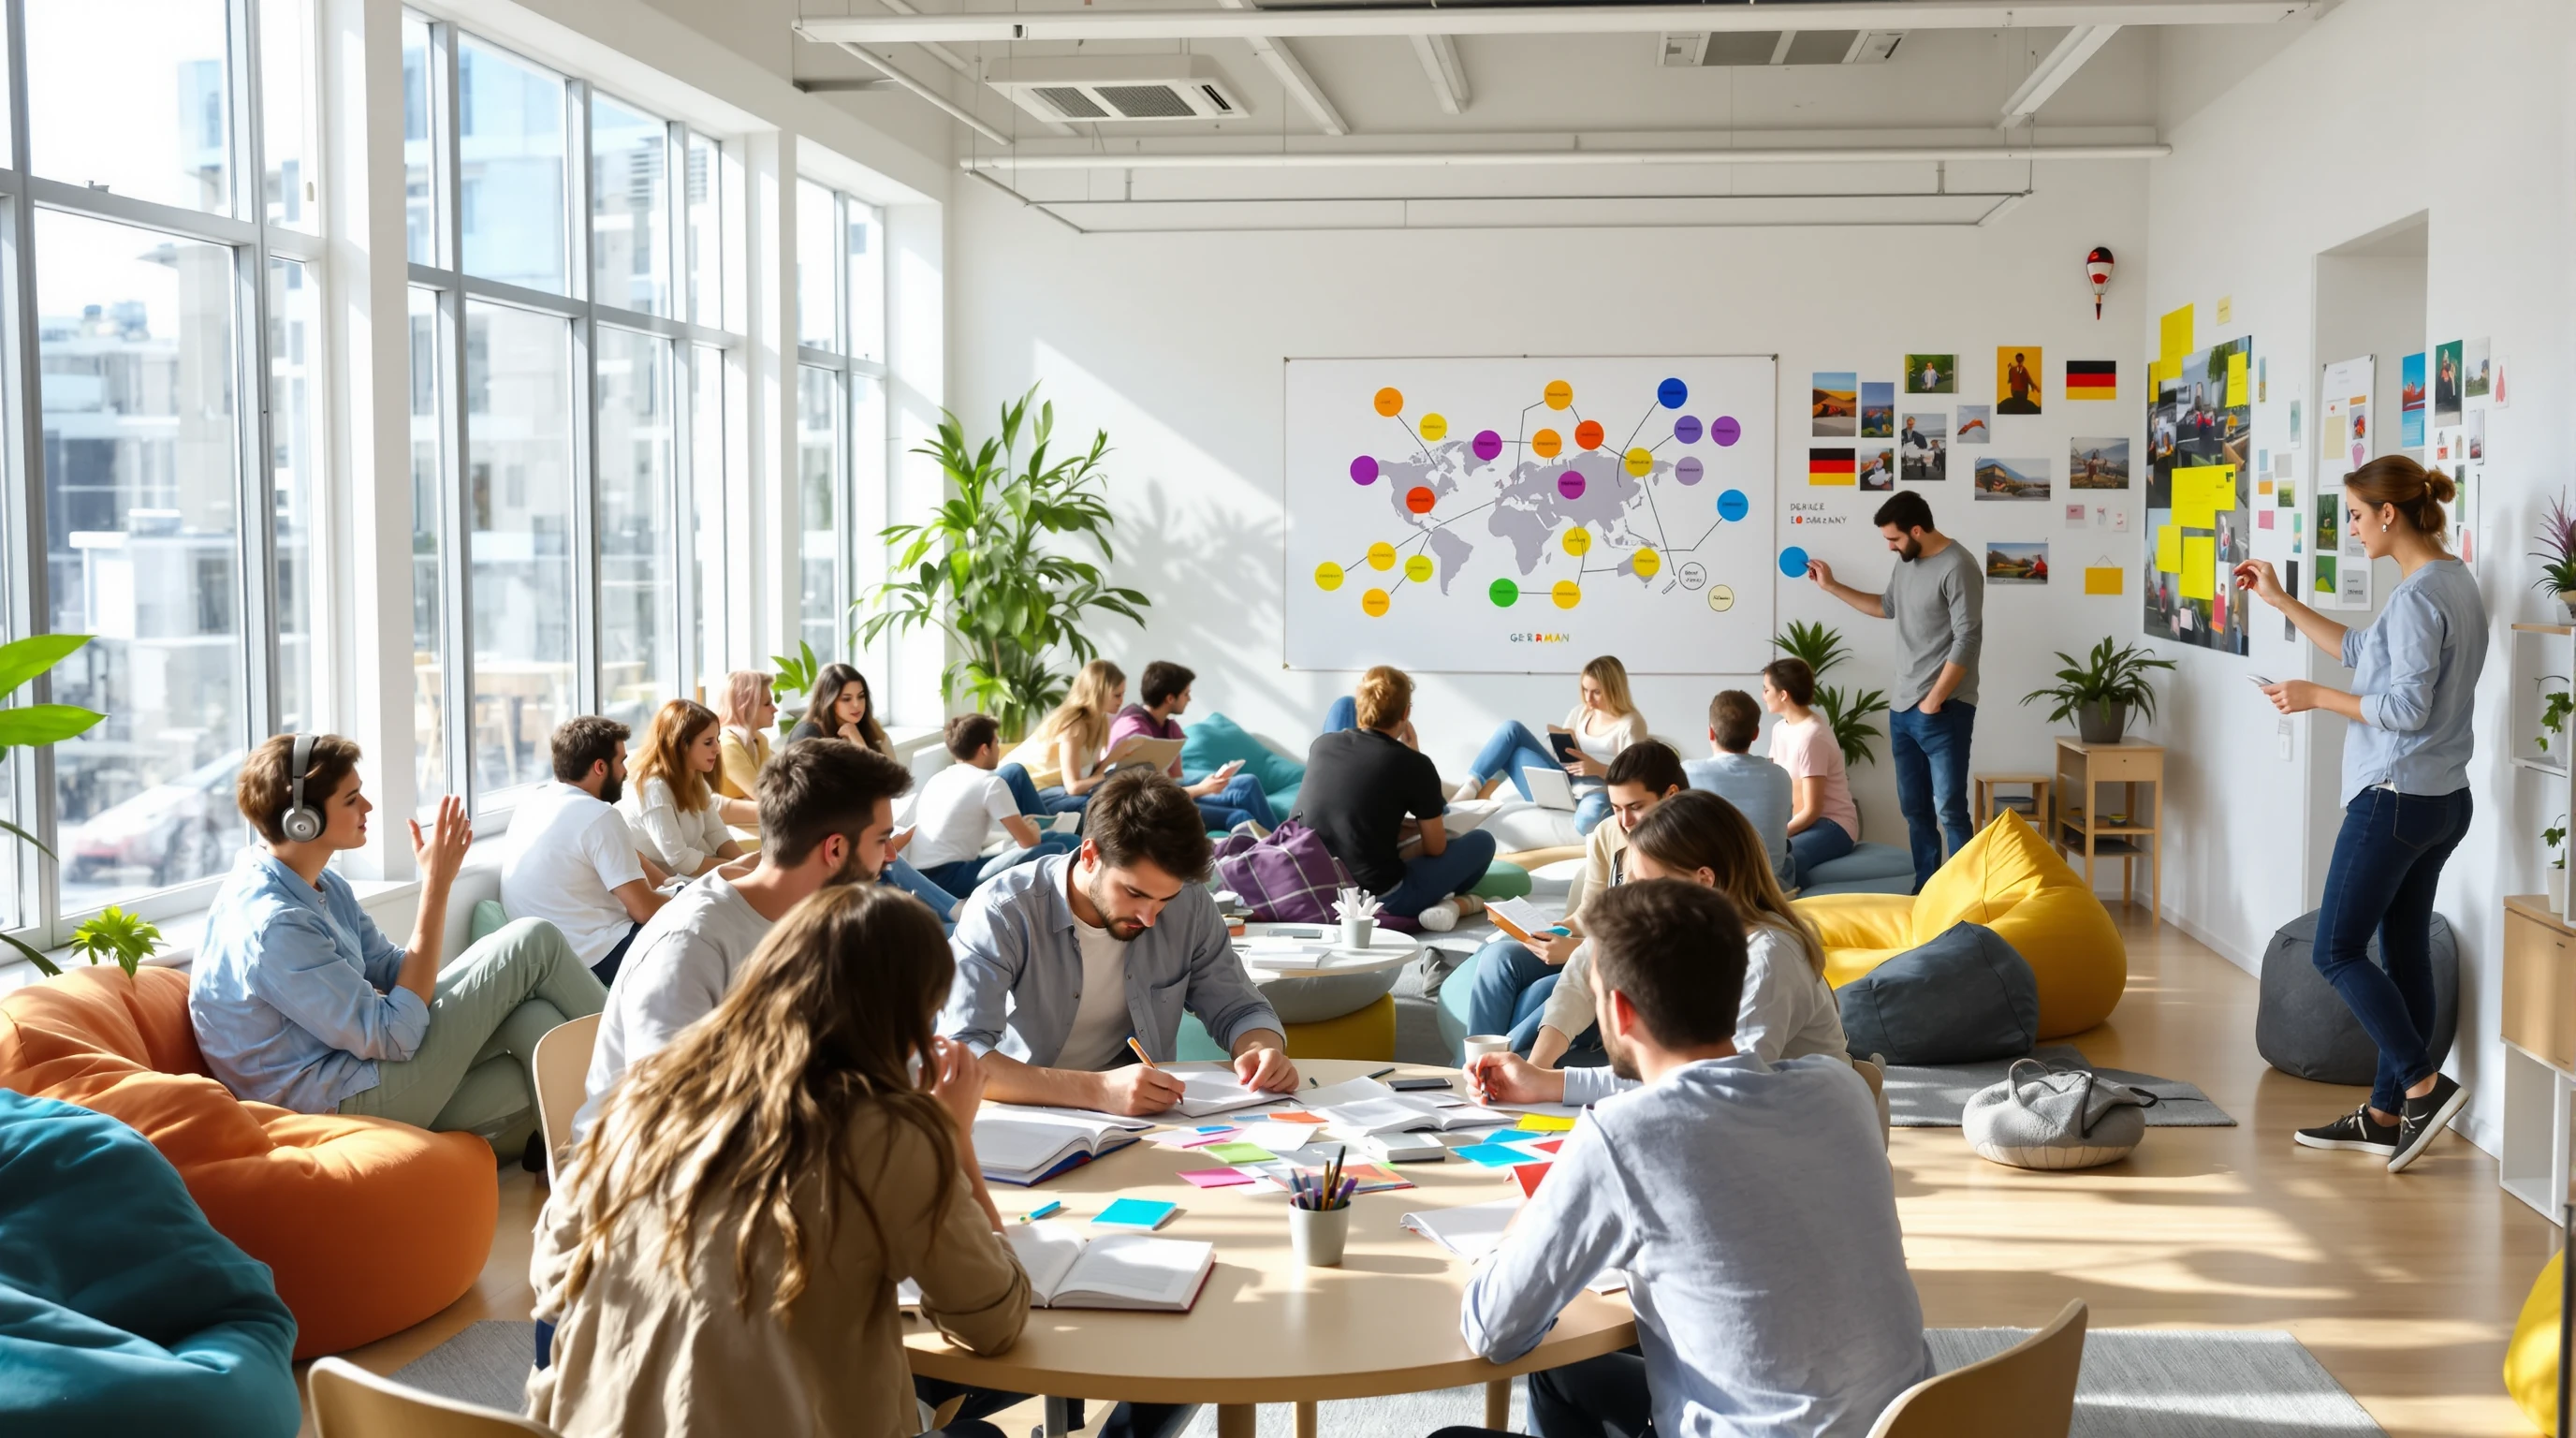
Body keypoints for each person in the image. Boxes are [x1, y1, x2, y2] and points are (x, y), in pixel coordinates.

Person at [529, 885, 1028, 1438]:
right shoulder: (889, 1137)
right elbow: (993, 1321)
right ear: (905, 1020)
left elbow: (553, 1275)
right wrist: (952, 1139)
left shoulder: (649, 1097)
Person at [1437, 881, 1931, 1438]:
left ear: (1619, 1012)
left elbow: (1493, 1330)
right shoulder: (1839, 1089)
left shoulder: (1621, 1138)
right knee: (1561, 1376)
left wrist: (1532, 1210)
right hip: (1902, 1424)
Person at [2236, 456, 2482, 1173]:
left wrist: (2315, 699)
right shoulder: (2451, 580)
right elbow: (2362, 652)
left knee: (2335, 951)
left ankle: (2421, 1085)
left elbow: (2402, 710)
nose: (2350, 528)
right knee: (2404, 952)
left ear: (2388, 514)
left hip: (2394, 798)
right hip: (2443, 799)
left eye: (2353, 514)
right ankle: (2383, 1113)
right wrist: (2281, 601)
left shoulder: (2416, 597)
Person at [192, 734, 607, 1153]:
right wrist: (436, 887)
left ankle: (581, 1168)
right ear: (303, 821)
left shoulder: (318, 883)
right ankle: (658, 1080)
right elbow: (397, 1033)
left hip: (364, 1070)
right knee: (532, 940)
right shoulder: (275, 926)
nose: (367, 807)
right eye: (351, 799)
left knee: (536, 1030)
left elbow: (392, 969)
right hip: (335, 1110)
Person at [575, 738, 916, 1141]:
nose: (892, 855)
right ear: (835, 849)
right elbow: (668, 1122)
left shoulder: (819, 918)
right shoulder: (688, 945)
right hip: (648, 1176)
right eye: (883, 839)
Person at [944, 768, 1298, 1117]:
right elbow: (962, 1053)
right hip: (1027, 1117)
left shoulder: (1188, 903)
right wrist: (1097, 1090)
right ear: (1089, 856)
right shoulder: (1002, 912)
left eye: (1164, 900)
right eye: (1134, 893)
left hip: (1141, 1119)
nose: (1149, 918)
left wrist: (1262, 1050)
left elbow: (1239, 1008)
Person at [1470, 791, 1851, 1111]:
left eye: (1646, 886)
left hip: (1782, 1137)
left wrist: (1551, 1084)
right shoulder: (1696, 938)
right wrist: (1541, 1075)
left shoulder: (1768, 957)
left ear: (1704, 882)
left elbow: (1717, 1089)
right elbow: (1678, 1076)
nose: (1633, 900)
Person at [1460, 741, 1687, 1067]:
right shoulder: (1609, 832)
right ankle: (1467, 1068)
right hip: (1594, 946)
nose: (1625, 820)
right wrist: (1548, 932)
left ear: (1671, 795)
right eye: (1616, 807)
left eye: (1635, 806)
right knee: (1498, 956)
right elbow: (1590, 911)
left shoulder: (1689, 851)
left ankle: (1497, 1069)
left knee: (1544, 992)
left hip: (1625, 962)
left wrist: (1576, 949)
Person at [1807, 490, 1983, 890]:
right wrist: (1831, 586)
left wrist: (1934, 699)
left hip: (1945, 709)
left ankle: (1960, 897)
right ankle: (1926, 889)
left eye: (1894, 539)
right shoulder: (1907, 564)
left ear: (1917, 530)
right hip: (1903, 710)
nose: (1890, 547)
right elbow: (1886, 607)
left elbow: (1968, 638)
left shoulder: (1958, 566)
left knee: (1951, 810)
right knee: (1915, 810)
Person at [1295, 666, 1496, 929]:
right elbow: (1436, 848)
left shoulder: (1322, 745)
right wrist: (1416, 757)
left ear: (1361, 708)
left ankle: (1446, 900)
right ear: (1406, 713)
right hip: (1378, 897)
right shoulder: (1414, 764)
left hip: (1312, 881)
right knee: (1482, 842)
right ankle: (1449, 903)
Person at [502, 717, 671, 983]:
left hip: (553, 952)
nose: (626, 771)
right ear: (600, 767)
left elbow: (628, 858)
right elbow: (644, 910)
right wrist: (687, 896)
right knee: (707, 920)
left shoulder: (533, 802)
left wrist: (673, 884)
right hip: (596, 956)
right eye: (621, 761)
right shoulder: (598, 815)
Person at [1453, 656, 1647, 837]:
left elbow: (1634, 776)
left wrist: (1597, 769)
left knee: (1584, 824)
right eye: (1585, 690)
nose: (1588, 699)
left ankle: (1479, 794)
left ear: (1614, 690)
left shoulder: (1630, 723)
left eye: (1596, 692)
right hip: (1562, 783)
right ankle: (1469, 789)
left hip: (1597, 789)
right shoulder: (1580, 713)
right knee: (1511, 730)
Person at [911, 714, 1082, 901]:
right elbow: (1028, 843)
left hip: (922, 878)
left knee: (1057, 838)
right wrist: (1031, 827)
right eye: (997, 743)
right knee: (1059, 846)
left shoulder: (938, 778)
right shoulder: (990, 783)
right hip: (952, 879)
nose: (999, 749)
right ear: (985, 749)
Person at [1108, 660, 1277, 834]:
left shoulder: (1169, 728)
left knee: (1247, 784)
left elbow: (1174, 778)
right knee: (1239, 816)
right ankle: (1282, 847)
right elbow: (1146, 796)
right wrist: (1202, 789)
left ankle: (1285, 841)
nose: (1189, 699)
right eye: (1186, 694)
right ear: (1170, 698)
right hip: (1149, 806)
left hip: (1168, 790)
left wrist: (1207, 785)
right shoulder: (1134, 732)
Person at [619, 698, 749, 879]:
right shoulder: (654, 788)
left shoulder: (695, 779)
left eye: (717, 740)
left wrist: (749, 865)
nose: (717, 749)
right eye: (708, 742)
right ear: (682, 745)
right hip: (659, 884)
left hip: (681, 876)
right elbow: (679, 859)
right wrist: (739, 868)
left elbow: (716, 833)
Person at [1762, 657, 1862, 889]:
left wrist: (1778, 834)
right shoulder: (1780, 729)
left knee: (1787, 860)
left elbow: (1813, 810)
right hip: (1800, 822)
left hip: (1833, 825)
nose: (1763, 695)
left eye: (1767, 689)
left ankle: (1798, 914)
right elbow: (1774, 785)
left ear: (1783, 695)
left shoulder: (1812, 737)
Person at [1686, 688, 1796, 891]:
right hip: (1770, 887)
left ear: (1711, 732)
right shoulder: (1780, 776)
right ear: (1755, 734)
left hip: (1712, 885)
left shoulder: (1686, 773)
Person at [1003, 660, 1131, 813]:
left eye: (1123, 694)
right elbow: (1074, 787)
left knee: (1108, 799)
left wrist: (1114, 758)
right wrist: (1113, 775)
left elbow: (1090, 778)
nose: (1121, 701)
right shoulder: (1074, 726)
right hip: (1025, 790)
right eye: (1117, 695)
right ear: (1098, 693)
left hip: (1053, 789)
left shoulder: (1100, 721)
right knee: (1094, 806)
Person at [711, 669, 775, 830]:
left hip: (752, 828)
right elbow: (765, 795)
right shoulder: (726, 743)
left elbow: (775, 789)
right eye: (767, 704)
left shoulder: (759, 740)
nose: (775, 709)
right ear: (746, 706)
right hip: (729, 833)